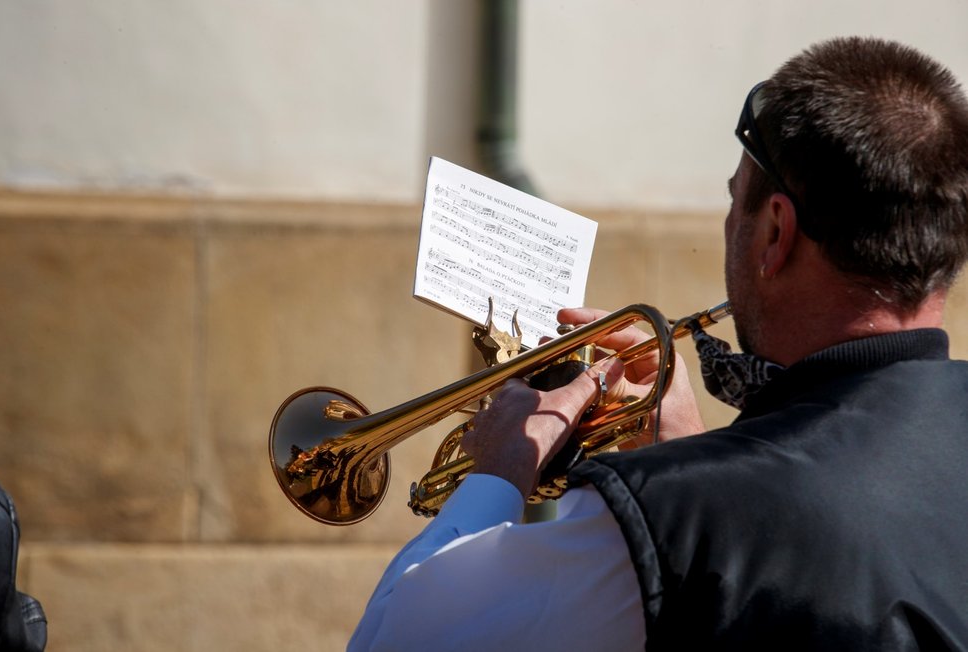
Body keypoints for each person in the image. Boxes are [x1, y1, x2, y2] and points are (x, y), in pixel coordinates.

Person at [349, 36, 968, 650]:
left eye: (736, 202)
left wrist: (493, 480)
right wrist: (695, 456)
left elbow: (399, 638)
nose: (730, 226)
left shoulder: (667, 521)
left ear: (776, 231)